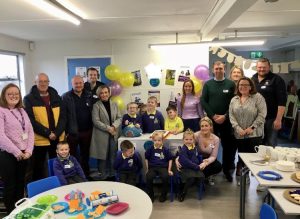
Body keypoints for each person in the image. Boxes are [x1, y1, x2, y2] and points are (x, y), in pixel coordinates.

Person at [24, 73, 66, 180]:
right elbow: (30, 120)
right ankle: (40, 187)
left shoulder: (56, 96)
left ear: (48, 82)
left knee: (57, 163)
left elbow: (63, 117)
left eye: (45, 81)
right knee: (38, 166)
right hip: (40, 138)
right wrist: (47, 133)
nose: (43, 84)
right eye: (40, 81)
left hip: (56, 137)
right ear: (35, 83)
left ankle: (57, 183)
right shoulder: (29, 98)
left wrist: (56, 133)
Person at [0, 83, 34, 214]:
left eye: (16, 93)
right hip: (8, 155)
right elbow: (1, 136)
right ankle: (11, 214)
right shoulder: (1, 111)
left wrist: (29, 150)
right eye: (10, 93)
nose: (14, 96)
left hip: (24, 154)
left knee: (21, 184)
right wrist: (17, 152)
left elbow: (30, 131)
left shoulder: (21, 110)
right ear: (4, 95)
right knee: (10, 186)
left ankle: (20, 211)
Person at [200, 61, 235, 182]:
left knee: (228, 147)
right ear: (213, 70)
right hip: (212, 122)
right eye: (216, 69)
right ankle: (211, 172)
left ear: (224, 69)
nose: (218, 70)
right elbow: (203, 101)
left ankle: (226, 170)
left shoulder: (231, 84)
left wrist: (225, 116)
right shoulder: (208, 84)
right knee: (210, 146)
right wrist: (213, 116)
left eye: (221, 68)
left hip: (227, 121)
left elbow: (233, 102)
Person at [229, 77, 267, 185]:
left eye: (246, 85)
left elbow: (262, 115)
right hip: (239, 134)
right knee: (242, 157)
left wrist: (252, 128)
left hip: (254, 134)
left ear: (250, 87)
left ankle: (260, 181)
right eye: (241, 85)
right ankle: (244, 177)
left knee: (253, 158)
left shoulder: (258, 97)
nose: (243, 87)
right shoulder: (234, 99)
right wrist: (238, 128)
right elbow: (231, 116)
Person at [62, 75, 93, 177]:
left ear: (83, 83)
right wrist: (66, 132)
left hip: (87, 132)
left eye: (80, 83)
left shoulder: (89, 95)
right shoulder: (66, 97)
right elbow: (63, 116)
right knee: (72, 156)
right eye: (76, 83)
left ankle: (85, 175)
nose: (78, 85)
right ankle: (73, 175)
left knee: (85, 155)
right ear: (72, 84)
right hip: (72, 133)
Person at [176, 117, 222, 186]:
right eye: (202, 126)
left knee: (218, 166)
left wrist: (206, 163)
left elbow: (213, 156)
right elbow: (186, 147)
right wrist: (177, 159)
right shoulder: (196, 135)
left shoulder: (216, 139)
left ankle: (202, 177)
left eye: (206, 126)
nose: (204, 128)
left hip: (208, 159)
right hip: (196, 158)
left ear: (210, 126)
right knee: (193, 164)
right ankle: (197, 177)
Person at [252, 58, 287, 146]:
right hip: (255, 119)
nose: (262, 69)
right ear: (256, 67)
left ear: (269, 67)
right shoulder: (253, 78)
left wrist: (278, 119)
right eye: (260, 67)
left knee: (271, 145)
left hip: (271, 119)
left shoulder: (277, 80)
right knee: (256, 144)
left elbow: (282, 101)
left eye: (264, 67)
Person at [90, 85, 121, 180]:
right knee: (102, 157)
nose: (104, 95)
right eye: (101, 93)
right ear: (99, 95)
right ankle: (102, 176)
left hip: (113, 134)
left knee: (113, 156)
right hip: (101, 134)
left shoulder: (114, 104)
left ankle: (112, 174)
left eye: (106, 92)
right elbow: (96, 121)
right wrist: (108, 128)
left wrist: (113, 126)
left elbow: (119, 117)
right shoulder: (96, 105)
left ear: (109, 93)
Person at [177, 129, 205, 202]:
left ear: (193, 140)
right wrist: (197, 167)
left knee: (201, 176)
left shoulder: (194, 147)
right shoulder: (183, 149)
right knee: (191, 178)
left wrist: (201, 163)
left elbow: (198, 156)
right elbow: (186, 162)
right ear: (183, 140)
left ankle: (199, 185)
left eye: (190, 139)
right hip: (186, 168)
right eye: (186, 139)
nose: (188, 141)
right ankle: (183, 192)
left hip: (194, 167)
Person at [145, 132, 173, 202]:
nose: (157, 142)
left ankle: (163, 195)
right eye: (155, 140)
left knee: (165, 176)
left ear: (162, 141)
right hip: (152, 167)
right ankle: (151, 195)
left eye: (159, 140)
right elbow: (146, 159)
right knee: (148, 177)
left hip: (163, 167)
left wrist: (169, 170)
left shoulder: (165, 150)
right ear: (153, 141)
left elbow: (170, 159)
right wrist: (147, 169)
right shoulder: (150, 149)